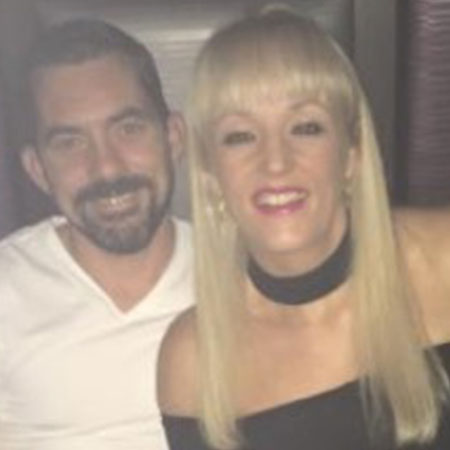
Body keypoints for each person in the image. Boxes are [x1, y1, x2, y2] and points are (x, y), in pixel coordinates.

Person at [158, 7, 450, 450]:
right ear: (210, 174)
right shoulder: (193, 360)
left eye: (305, 127)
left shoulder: (441, 262)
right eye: (240, 136)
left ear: (351, 154)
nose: (275, 162)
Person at [0, 19, 192, 449]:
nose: (106, 167)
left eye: (128, 129)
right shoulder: (6, 287)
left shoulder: (240, 274)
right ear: (37, 170)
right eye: (70, 143)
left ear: (173, 138)